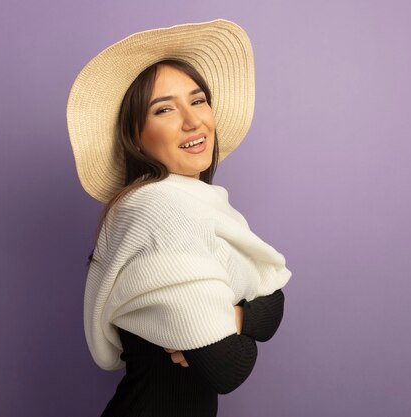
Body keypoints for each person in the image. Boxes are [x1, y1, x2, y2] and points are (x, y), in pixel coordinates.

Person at [66, 19, 292, 417]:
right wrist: (245, 319)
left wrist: (237, 316)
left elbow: (275, 299)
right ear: (136, 136)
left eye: (198, 100)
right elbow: (228, 367)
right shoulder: (156, 210)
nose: (192, 120)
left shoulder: (202, 205)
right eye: (165, 109)